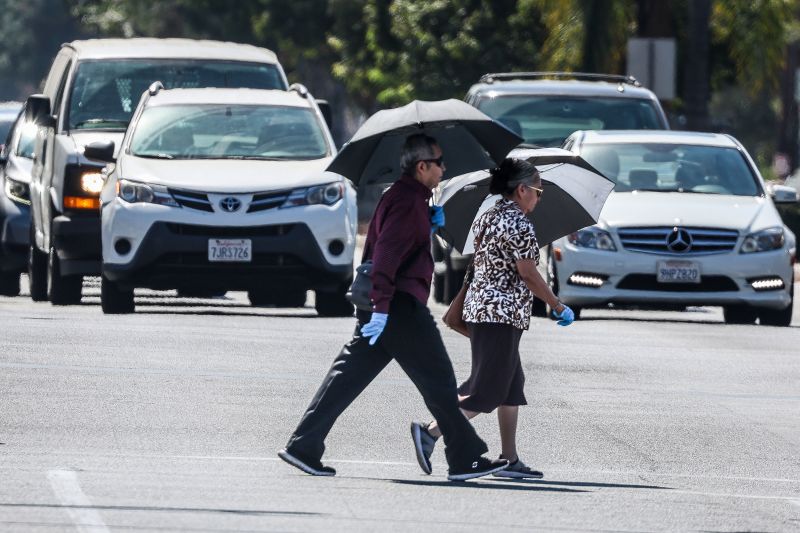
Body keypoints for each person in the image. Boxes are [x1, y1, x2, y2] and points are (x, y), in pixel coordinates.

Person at [279, 133, 508, 481]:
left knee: (346, 378)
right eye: (438, 162)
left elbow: (396, 249)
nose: (444, 167)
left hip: (386, 304)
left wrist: (427, 225)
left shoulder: (408, 198)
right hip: (398, 306)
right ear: (422, 166)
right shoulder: (406, 202)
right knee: (440, 381)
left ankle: (303, 446)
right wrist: (383, 307)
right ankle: (465, 458)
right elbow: (386, 257)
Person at [410, 158, 574, 479]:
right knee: (486, 391)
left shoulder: (490, 216)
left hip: (483, 310)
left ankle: (509, 459)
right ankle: (430, 433)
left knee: (510, 386)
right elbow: (528, 273)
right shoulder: (520, 225)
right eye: (538, 191)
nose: (540, 198)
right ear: (522, 189)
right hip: (500, 315)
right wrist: (555, 304)